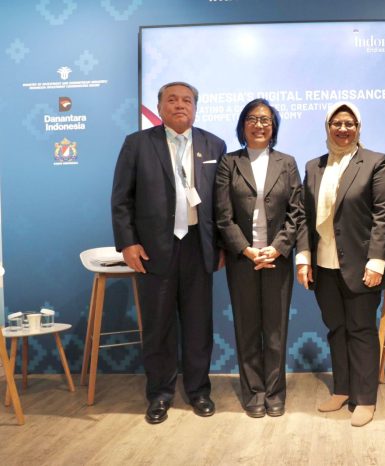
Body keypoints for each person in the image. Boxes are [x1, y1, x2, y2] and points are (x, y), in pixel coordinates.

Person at [111, 81, 226, 424]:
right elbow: (121, 199)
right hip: (153, 249)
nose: (180, 105)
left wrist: (220, 245)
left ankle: (199, 391)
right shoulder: (137, 144)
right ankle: (159, 394)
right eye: (172, 100)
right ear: (159, 107)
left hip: (198, 246)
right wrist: (128, 243)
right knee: (158, 325)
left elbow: (222, 203)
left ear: (195, 108)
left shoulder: (214, 144)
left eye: (187, 100)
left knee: (198, 325)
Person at [296, 101, 385, 427]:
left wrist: (377, 261)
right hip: (323, 265)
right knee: (336, 329)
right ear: (328, 127)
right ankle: (342, 389)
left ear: (358, 128)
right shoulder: (313, 166)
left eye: (349, 123)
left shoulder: (375, 162)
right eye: (336, 123)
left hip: (362, 265)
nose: (343, 129)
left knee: (361, 330)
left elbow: (384, 214)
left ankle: (365, 398)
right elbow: (303, 218)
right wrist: (303, 258)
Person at [215, 99, 302, 418]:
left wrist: (278, 247)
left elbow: (297, 213)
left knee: (276, 330)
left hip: (277, 258)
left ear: (274, 126)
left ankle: (275, 392)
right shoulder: (229, 163)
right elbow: (222, 215)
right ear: (243, 125)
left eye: (265, 119)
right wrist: (246, 249)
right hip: (243, 259)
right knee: (247, 327)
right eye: (252, 119)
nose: (259, 124)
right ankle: (254, 391)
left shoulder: (287, 163)